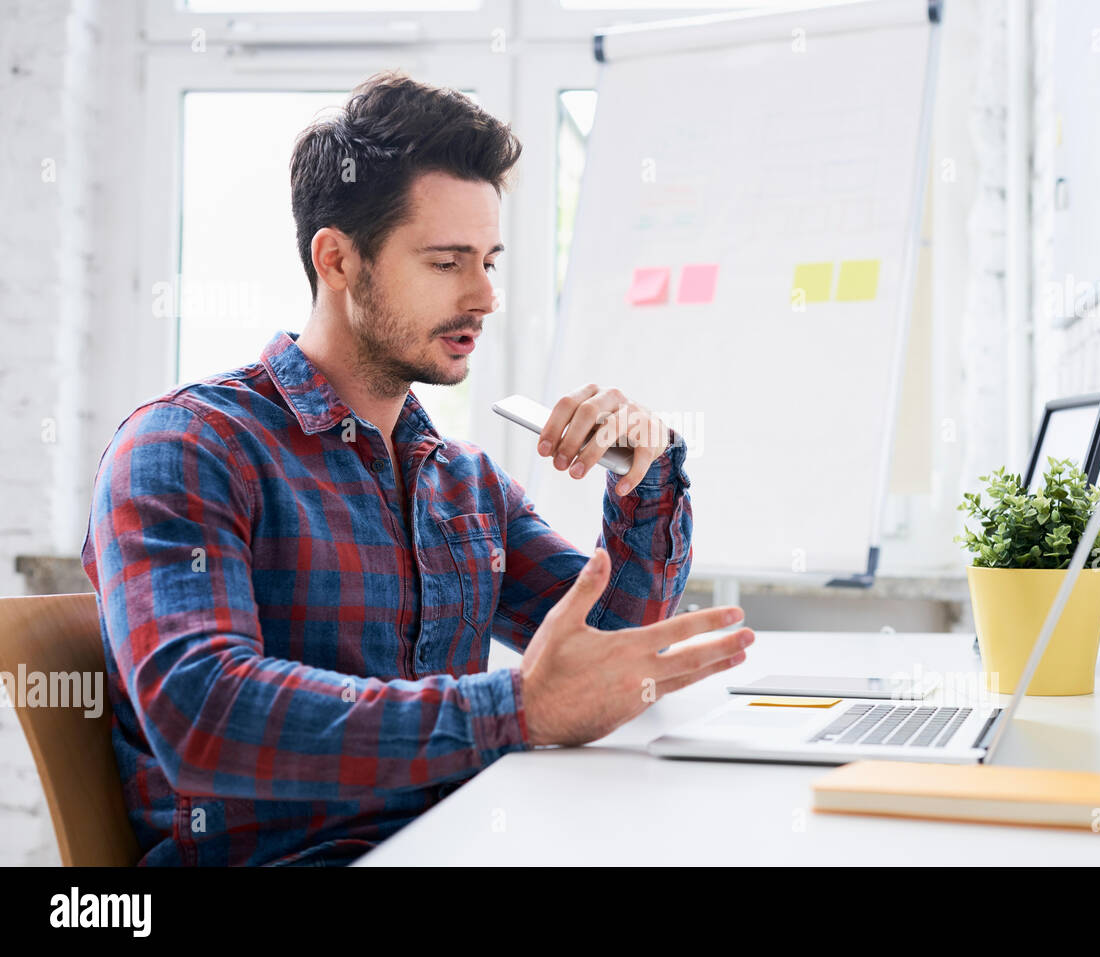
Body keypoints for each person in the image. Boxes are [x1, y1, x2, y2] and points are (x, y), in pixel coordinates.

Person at [81, 70, 753, 866]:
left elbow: (614, 651)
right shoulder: (187, 448)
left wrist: (642, 476)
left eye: (490, 262)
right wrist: (513, 711)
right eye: (446, 263)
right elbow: (204, 716)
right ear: (336, 259)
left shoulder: (461, 485)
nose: (483, 297)